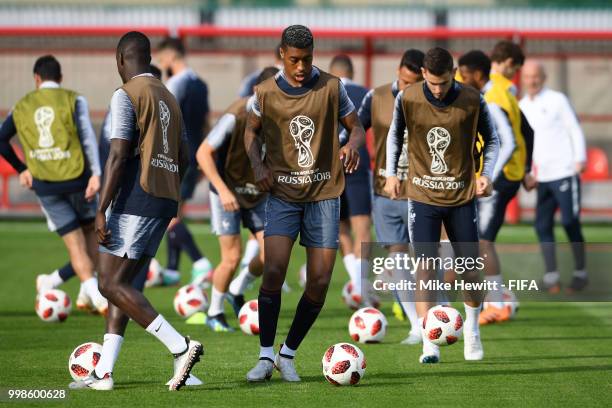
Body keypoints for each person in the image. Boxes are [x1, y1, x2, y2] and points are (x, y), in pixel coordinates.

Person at [70, 31, 203, 391]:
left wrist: (101, 209)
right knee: (121, 285)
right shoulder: (169, 97)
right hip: (163, 200)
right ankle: (105, 372)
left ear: (120, 60)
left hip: (136, 199)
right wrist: (169, 186)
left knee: (109, 283)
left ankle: (181, 348)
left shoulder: (126, 94)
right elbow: (185, 157)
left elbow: (117, 152)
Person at [244, 25, 364, 382]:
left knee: (320, 280)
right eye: (295, 59)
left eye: (307, 59)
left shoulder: (332, 87)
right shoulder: (263, 93)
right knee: (275, 270)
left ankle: (288, 354)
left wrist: (352, 144)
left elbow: (356, 126)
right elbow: (250, 131)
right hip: (283, 195)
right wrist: (258, 164)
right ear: (281, 53)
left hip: (325, 194)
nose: (301, 66)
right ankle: (265, 356)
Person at [384, 47, 500, 363]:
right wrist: (392, 173)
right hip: (421, 196)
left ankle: (473, 334)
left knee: (468, 270)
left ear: (453, 75)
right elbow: (395, 136)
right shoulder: (407, 98)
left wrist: (485, 175)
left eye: (444, 82)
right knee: (425, 268)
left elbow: (492, 140)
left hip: (461, 197)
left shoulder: (473, 100)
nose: (438, 89)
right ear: (423, 74)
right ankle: (429, 343)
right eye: (433, 83)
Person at [0, 55, 107, 314]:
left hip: (45, 186)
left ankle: (78, 290)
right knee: (92, 241)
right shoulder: (73, 99)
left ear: (37, 79)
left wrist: (21, 168)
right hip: (79, 180)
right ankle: (97, 296)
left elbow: (2, 140)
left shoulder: (22, 105)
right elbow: (87, 138)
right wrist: (96, 173)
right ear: (60, 78)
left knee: (75, 244)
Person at [194, 66, 279, 332]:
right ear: (257, 91)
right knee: (231, 257)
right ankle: (214, 312)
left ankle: (236, 289)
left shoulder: (283, 117)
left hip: (257, 193)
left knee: (272, 253)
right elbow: (203, 154)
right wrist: (222, 190)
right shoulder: (236, 114)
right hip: (227, 189)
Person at [352, 49, 425, 344]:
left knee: (426, 260)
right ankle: (416, 326)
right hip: (384, 192)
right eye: (405, 81)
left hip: (422, 193)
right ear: (398, 71)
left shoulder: (431, 102)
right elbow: (355, 128)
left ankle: (439, 312)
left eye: (414, 83)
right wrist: (344, 147)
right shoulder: (376, 97)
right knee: (397, 260)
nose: (408, 88)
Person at [458, 49, 533, 324]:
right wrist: (526, 170)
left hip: (498, 181)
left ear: (477, 75)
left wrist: (488, 175)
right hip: (503, 177)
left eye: (464, 76)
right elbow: (528, 131)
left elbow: (510, 141)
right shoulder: (500, 92)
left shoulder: (492, 98)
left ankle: (497, 303)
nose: (460, 80)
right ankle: (497, 296)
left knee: (482, 243)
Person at [520, 59, 587, 294]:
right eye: (527, 76)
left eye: (535, 76)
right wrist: (526, 171)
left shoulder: (557, 100)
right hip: (541, 176)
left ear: (543, 77)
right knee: (542, 225)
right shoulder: (522, 105)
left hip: (565, 171)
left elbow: (574, 129)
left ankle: (580, 272)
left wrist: (580, 158)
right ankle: (551, 276)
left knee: (570, 221)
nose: (532, 81)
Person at [156, 37, 213, 285]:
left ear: (171, 57)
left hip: (176, 154)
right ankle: (172, 269)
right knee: (177, 211)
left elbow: (166, 120)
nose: (160, 63)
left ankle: (200, 262)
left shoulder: (174, 84)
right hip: (196, 151)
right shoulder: (200, 83)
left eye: (161, 58)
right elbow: (206, 121)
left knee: (168, 214)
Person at [328, 54, 374, 305]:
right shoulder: (366, 93)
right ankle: (361, 287)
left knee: (340, 226)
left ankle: (357, 286)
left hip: (331, 166)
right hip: (358, 164)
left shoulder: (325, 91)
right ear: (353, 72)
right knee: (363, 228)